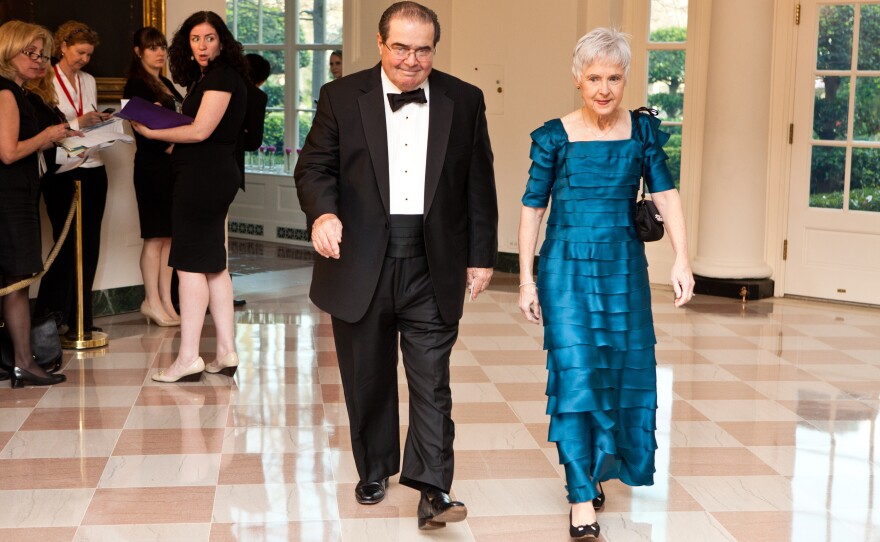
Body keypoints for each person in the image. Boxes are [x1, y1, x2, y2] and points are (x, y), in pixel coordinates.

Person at [294, 1, 497, 531]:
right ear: (381, 44)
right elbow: (314, 166)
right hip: (359, 258)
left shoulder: (465, 99)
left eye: (423, 49)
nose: (412, 60)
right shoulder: (341, 95)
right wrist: (323, 214)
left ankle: (433, 487)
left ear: (435, 48)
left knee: (432, 381)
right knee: (368, 377)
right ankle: (375, 468)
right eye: (401, 47)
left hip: (434, 261)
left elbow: (479, 183)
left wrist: (481, 256)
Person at [517, 28, 694, 540]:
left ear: (625, 79)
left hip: (623, 270)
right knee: (575, 378)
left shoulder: (641, 133)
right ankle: (579, 498)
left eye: (613, 77)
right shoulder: (554, 136)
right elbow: (533, 208)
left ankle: (594, 468)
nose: (603, 88)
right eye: (593, 77)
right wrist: (526, 280)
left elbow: (666, 194)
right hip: (566, 269)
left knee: (616, 373)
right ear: (577, 78)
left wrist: (682, 258)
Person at [131, 11, 247, 383]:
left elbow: (200, 132)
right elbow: (201, 129)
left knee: (190, 265)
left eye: (209, 38)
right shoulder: (214, 77)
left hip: (203, 178)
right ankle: (226, 352)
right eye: (195, 38)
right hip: (212, 175)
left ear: (222, 41)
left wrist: (152, 132)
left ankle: (187, 358)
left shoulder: (220, 76)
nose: (202, 45)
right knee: (213, 263)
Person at [0, 20, 70, 387]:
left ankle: (16, 361)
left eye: (42, 54)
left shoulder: (17, 92)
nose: (39, 61)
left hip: (15, 194)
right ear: (7, 50)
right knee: (17, 279)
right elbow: (8, 153)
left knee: (14, 277)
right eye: (29, 52)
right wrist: (45, 136)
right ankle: (24, 364)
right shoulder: (7, 92)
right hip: (10, 198)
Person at [35, 20, 111, 338]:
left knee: (90, 244)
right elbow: (46, 123)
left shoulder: (89, 80)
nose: (84, 59)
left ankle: (83, 316)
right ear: (62, 46)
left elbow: (86, 116)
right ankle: (52, 317)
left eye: (89, 54)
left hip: (92, 165)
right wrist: (79, 119)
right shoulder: (44, 78)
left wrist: (98, 122)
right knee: (65, 246)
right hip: (62, 170)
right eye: (80, 52)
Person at [123, 26, 183, 327]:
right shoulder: (136, 85)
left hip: (171, 167)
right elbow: (143, 131)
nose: (160, 53)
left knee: (169, 237)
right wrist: (172, 141)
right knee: (154, 236)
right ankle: (151, 300)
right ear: (138, 52)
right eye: (152, 48)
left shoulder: (166, 83)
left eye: (162, 47)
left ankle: (166, 301)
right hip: (151, 166)